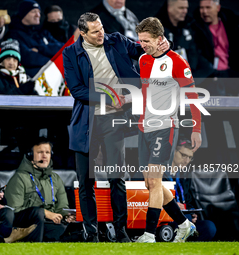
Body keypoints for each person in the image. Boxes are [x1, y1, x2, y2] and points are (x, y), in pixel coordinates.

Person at [62, 12, 170, 242]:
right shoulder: (71, 53)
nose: (101, 33)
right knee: (85, 183)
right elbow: (77, 90)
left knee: (116, 178)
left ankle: (121, 232)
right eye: (95, 31)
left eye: (101, 28)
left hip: (114, 122)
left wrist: (163, 47)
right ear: (82, 33)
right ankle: (91, 234)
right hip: (86, 123)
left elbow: (143, 49)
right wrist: (111, 98)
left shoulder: (117, 40)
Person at [134, 17, 202, 243]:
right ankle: (184, 224)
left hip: (166, 127)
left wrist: (196, 129)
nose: (142, 44)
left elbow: (192, 96)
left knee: (154, 181)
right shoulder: (143, 59)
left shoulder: (177, 62)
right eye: (140, 40)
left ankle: (148, 235)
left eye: (146, 40)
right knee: (149, 183)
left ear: (160, 39)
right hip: (145, 128)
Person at [5, 138, 75, 242]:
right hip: (24, 225)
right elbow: (14, 211)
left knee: (68, 227)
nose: (44, 156)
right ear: (30, 155)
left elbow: (62, 207)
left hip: (47, 223)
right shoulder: (19, 177)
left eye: (47, 152)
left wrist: (66, 216)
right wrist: (45, 213)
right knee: (37, 213)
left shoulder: (55, 178)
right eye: (40, 152)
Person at [164, 139, 217, 241]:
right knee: (185, 220)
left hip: (184, 219)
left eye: (190, 157)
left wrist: (192, 213)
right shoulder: (159, 173)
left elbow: (188, 201)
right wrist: (173, 206)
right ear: (173, 152)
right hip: (167, 220)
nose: (186, 161)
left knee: (209, 227)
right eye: (183, 155)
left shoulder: (184, 176)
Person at [155, 0, 214, 80]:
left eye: (186, 8)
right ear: (169, 8)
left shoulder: (188, 25)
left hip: (186, 67)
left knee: (208, 67)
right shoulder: (156, 28)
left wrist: (190, 69)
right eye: (181, 8)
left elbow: (193, 51)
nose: (185, 11)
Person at [4, 0, 64, 77]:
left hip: (53, 74)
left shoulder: (42, 32)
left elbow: (62, 48)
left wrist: (40, 49)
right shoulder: (13, 35)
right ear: (24, 14)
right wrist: (52, 61)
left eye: (39, 12)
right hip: (31, 80)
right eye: (33, 11)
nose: (38, 15)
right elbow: (28, 58)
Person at [193, 0, 239, 96]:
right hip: (210, 75)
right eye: (202, 8)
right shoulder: (196, 29)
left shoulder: (231, 24)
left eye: (208, 7)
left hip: (231, 73)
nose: (204, 11)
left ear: (217, 8)